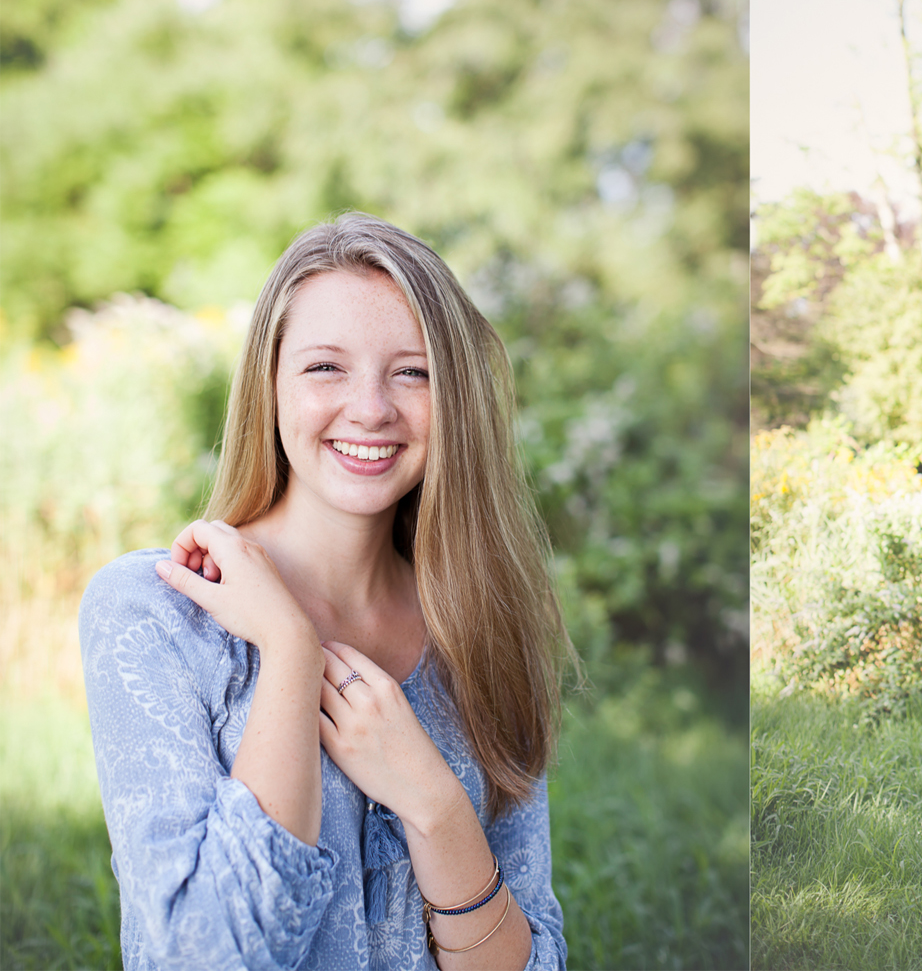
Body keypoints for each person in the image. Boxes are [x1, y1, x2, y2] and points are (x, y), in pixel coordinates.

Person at [79, 214, 572, 970]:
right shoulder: (152, 614)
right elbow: (203, 955)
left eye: (413, 372)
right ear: (269, 386)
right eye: (324, 368)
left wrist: (435, 804)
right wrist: (288, 650)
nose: (371, 408)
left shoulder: (482, 628)